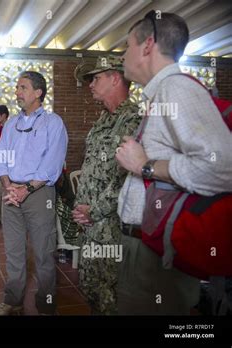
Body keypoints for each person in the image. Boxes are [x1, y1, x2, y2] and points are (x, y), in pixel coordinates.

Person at [115, 10, 232, 314]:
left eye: (127, 46)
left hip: (155, 260)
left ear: (147, 45)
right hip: (147, 249)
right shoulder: (162, 92)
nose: (123, 55)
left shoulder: (175, 88)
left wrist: (146, 166)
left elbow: (222, 167)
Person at [0, 71, 68, 315]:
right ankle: (12, 301)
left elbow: (52, 166)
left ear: (38, 93)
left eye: (23, 88)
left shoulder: (53, 123)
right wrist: (7, 185)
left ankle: (46, 304)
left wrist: (26, 189)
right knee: (14, 251)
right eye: (17, 88)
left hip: (39, 194)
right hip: (11, 192)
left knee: (44, 252)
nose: (17, 92)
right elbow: (1, 157)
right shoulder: (11, 123)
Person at [72, 55, 141, 314]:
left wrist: (94, 210)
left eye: (95, 78)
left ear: (115, 78)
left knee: (111, 296)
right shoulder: (103, 120)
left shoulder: (133, 119)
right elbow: (93, 169)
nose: (90, 84)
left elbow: (126, 178)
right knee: (91, 290)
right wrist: (81, 209)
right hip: (91, 227)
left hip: (112, 228)